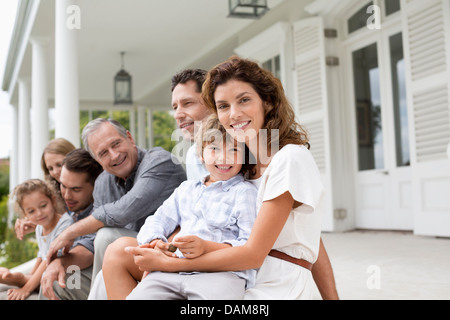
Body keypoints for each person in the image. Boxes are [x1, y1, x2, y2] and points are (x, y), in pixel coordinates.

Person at [125, 56, 335, 299]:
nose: (234, 114)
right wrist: (162, 246)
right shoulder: (241, 169)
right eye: (223, 106)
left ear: (267, 101)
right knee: (121, 254)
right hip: (231, 273)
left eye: (244, 100)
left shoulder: (289, 159)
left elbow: (256, 253)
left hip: (275, 284)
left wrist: (168, 264)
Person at [122, 116, 257, 300]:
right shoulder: (186, 190)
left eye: (234, 150)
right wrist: (156, 241)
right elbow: (158, 219)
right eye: (214, 149)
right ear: (201, 155)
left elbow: (249, 245)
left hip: (222, 275)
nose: (223, 157)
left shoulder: (244, 192)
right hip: (171, 273)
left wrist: (207, 247)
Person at [45, 118, 187, 285]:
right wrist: (59, 263)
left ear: (130, 138)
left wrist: (69, 232)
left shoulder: (160, 162)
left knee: (107, 236)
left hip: (171, 257)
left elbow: (123, 211)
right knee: (58, 281)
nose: (114, 155)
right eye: (103, 153)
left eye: (116, 144)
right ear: (97, 159)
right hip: (128, 266)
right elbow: (92, 242)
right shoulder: (102, 183)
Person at [39, 148, 103, 300]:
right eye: (63, 186)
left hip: (101, 275)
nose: (67, 195)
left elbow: (89, 247)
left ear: (95, 186)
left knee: (57, 283)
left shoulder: (100, 211)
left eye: (76, 189)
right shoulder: (73, 210)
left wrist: (59, 263)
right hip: (81, 272)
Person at [1, 179, 73, 300]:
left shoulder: (65, 225)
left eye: (43, 206)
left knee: (26, 278)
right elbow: (42, 256)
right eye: (31, 211)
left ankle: (19, 279)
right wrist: (31, 275)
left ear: (53, 201)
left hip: (66, 275)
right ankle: (18, 278)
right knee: (29, 276)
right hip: (48, 272)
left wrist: (26, 288)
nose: (39, 213)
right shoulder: (40, 228)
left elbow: (48, 260)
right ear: (25, 214)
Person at [14, 138, 76, 240]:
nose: (55, 172)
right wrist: (36, 223)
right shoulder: (55, 193)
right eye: (50, 168)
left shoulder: (91, 187)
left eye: (59, 165)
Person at [171, 68, 211, 180]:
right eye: (175, 107)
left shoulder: (243, 149)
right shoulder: (192, 155)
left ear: (211, 103)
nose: (177, 115)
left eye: (187, 103)